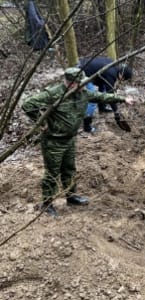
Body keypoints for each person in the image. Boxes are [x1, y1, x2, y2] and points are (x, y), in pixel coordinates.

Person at [22, 67, 134, 216]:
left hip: (70, 139)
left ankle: (71, 196)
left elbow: (101, 96)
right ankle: (47, 204)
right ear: (70, 83)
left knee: (69, 169)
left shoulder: (82, 92)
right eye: (79, 83)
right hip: (53, 141)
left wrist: (122, 98)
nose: (82, 85)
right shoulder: (55, 93)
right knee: (52, 173)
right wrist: (42, 123)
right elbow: (28, 104)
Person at [78, 56, 133, 132]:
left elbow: (105, 85)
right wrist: (116, 111)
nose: (122, 81)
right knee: (92, 99)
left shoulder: (114, 65)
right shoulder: (112, 74)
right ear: (122, 75)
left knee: (103, 86)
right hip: (82, 71)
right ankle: (87, 126)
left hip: (86, 66)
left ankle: (102, 108)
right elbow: (110, 94)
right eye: (123, 79)